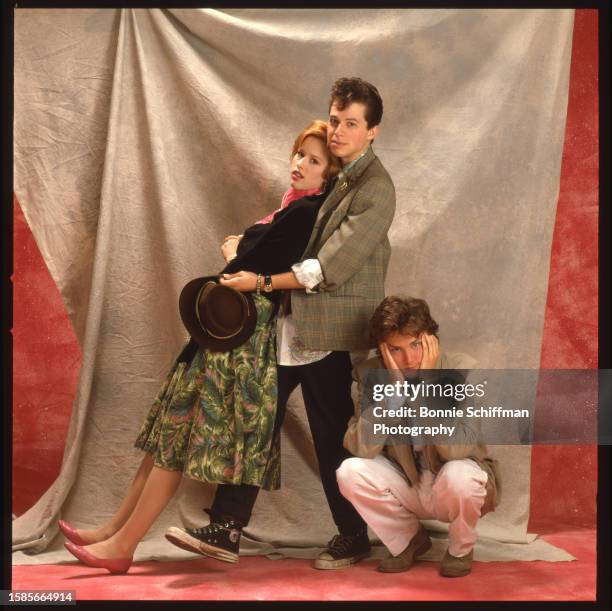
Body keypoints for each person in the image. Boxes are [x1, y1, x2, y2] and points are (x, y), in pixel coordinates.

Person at [59, 120, 341, 573]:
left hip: (242, 344)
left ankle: (123, 545)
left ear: (328, 174)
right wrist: (242, 253)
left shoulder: (307, 212)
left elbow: (247, 268)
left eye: (313, 160)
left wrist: (234, 251)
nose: (299, 164)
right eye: (299, 154)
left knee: (178, 438)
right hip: (228, 335)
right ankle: (114, 529)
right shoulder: (290, 208)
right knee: (167, 434)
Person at [166, 77, 396, 570]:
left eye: (351, 124)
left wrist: (259, 281)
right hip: (291, 329)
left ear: (372, 131)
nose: (338, 131)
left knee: (332, 438)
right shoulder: (335, 179)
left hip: (329, 334)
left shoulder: (376, 189)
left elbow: (325, 268)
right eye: (335, 119)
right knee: (255, 423)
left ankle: (354, 534)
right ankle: (227, 527)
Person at [336, 296, 501, 577]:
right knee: (349, 472)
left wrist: (428, 382)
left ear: (431, 339)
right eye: (395, 350)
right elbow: (360, 447)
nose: (409, 358)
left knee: (461, 475)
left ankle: (460, 549)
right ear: (382, 349)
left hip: (452, 483)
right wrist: (394, 394)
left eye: (415, 344)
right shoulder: (370, 373)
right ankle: (409, 541)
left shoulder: (464, 371)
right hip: (408, 482)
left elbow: (456, 450)